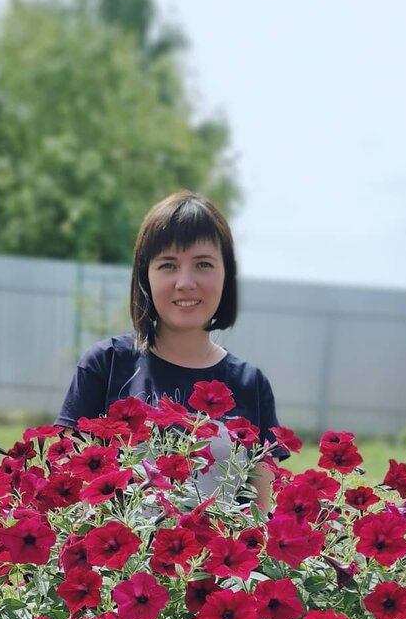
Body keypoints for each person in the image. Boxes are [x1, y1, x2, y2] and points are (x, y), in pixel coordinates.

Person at [57, 191, 287, 511]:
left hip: (211, 561)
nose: (185, 282)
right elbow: (67, 495)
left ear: (226, 275)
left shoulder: (251, 384)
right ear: (145, 276)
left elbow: (261, 518)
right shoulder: (106, 365)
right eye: (168, 265)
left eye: (203, 264)